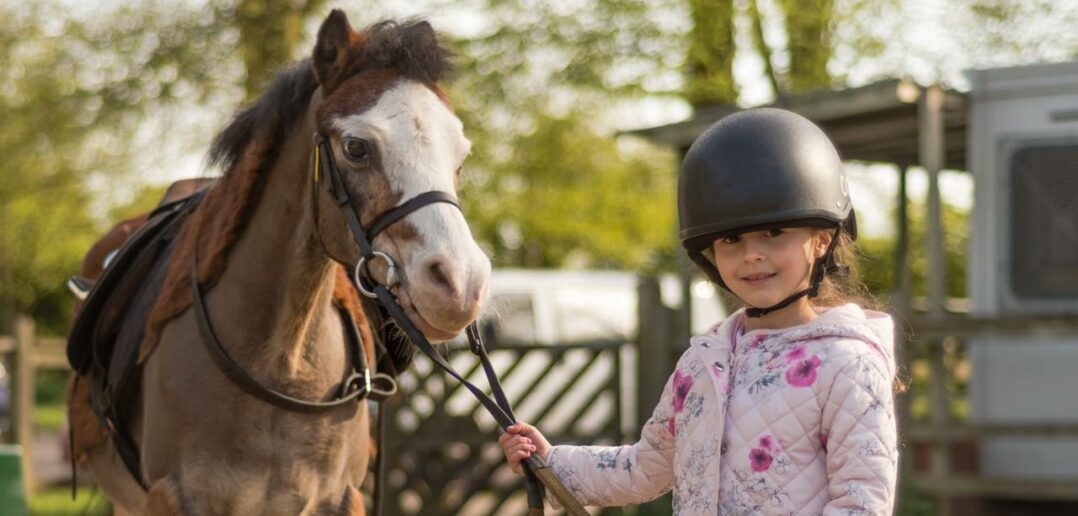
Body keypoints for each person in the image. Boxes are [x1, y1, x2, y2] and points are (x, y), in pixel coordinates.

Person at [499, 108, 899, 515]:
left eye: (774, 232)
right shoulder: (703, 363)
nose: (752, 255)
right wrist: (551, 462)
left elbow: (861, 503)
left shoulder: (849, 364)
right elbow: (645, 467)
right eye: (730, 240)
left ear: (821, 240)